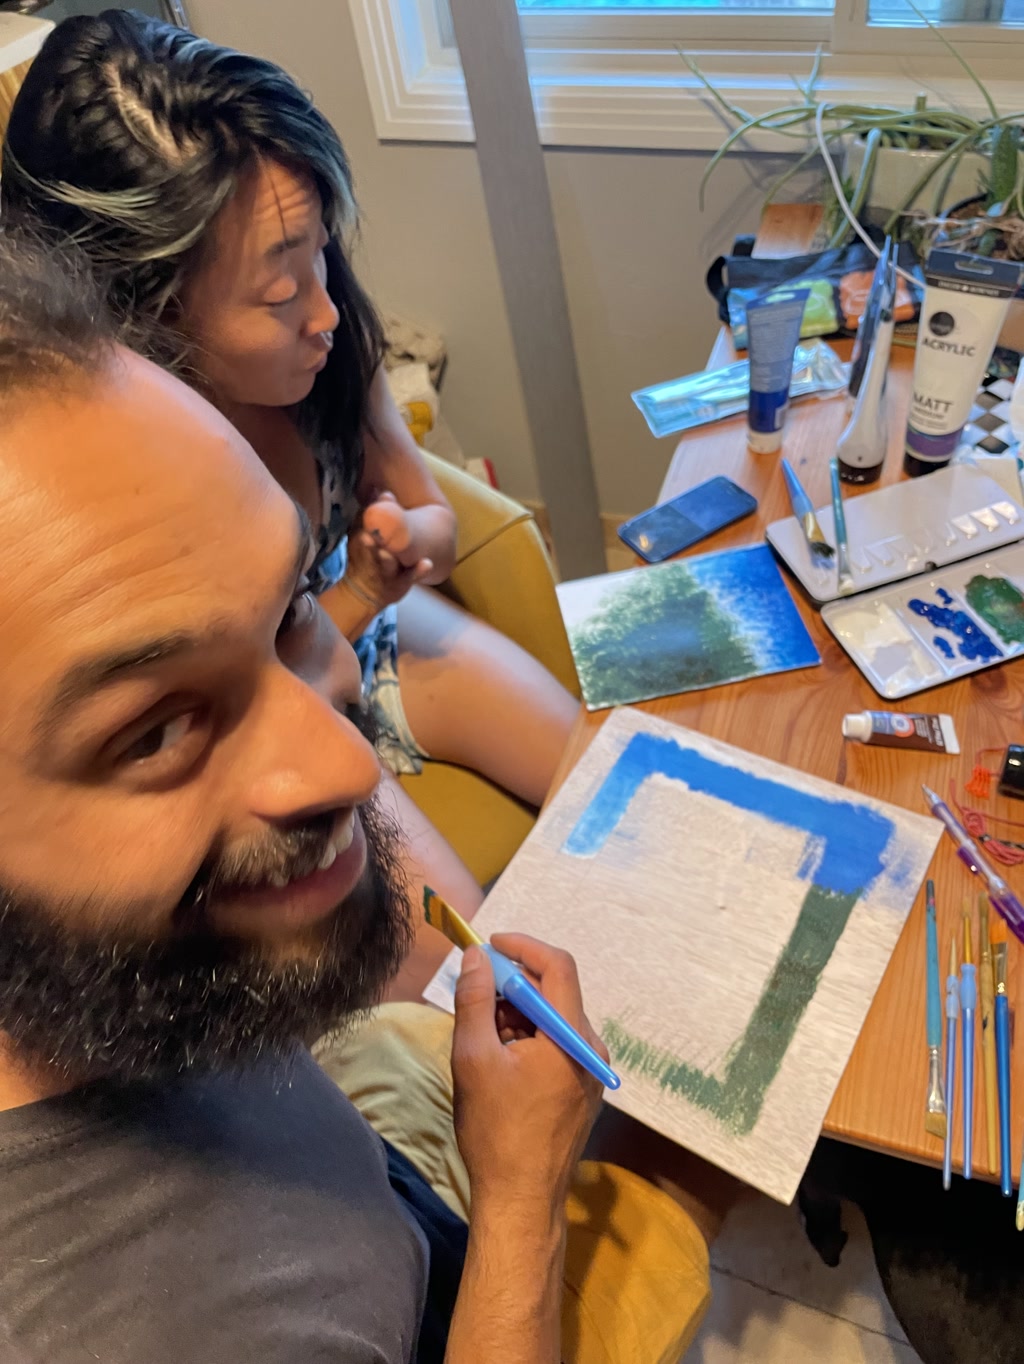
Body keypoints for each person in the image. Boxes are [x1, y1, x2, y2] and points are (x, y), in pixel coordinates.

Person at [0, 228, 717, 1363]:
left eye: (289, 603)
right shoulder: (145, 1321)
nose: (348, 766)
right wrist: (523, 1194)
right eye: (158, 725)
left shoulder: (114, 980)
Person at [0, 9, 580, 998]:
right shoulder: (113, 472)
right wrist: (342, 604)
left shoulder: (330, 338)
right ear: (144, 309)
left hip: (379, 634)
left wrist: (410, 547)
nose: (322, 309)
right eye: (276, 294)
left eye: (318, 252)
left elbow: (423, 506)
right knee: (474, 976)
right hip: (275, 712)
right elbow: (259, 694)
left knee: (603, 775)